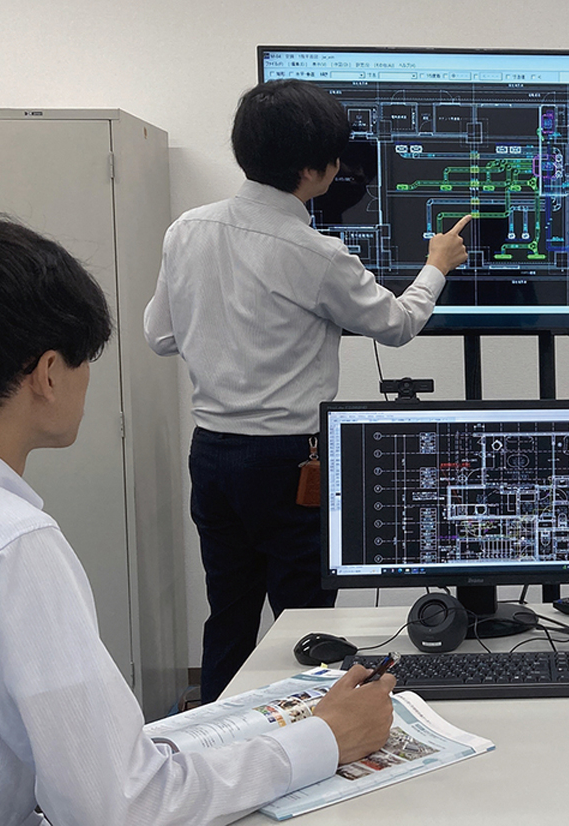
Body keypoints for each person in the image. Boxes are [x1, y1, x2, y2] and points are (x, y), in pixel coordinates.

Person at [0, 216, 396, 825]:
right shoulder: (3, 548)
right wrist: (327, 738)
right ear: (48, 374)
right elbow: (123, 807)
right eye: (84, 360)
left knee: (230, 610)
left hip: (215, 456)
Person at [143, 79, 471, 703]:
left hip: (211, 455)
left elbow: (159, 336)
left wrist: (225, 331)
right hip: (291, 464)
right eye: (336, 157)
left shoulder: (186, 229)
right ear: (314, 168)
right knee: (307, 625)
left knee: (229, 612)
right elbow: (398, 324)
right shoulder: (317, 253)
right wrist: (437, 264)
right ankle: (314, 736)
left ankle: (216, 736)